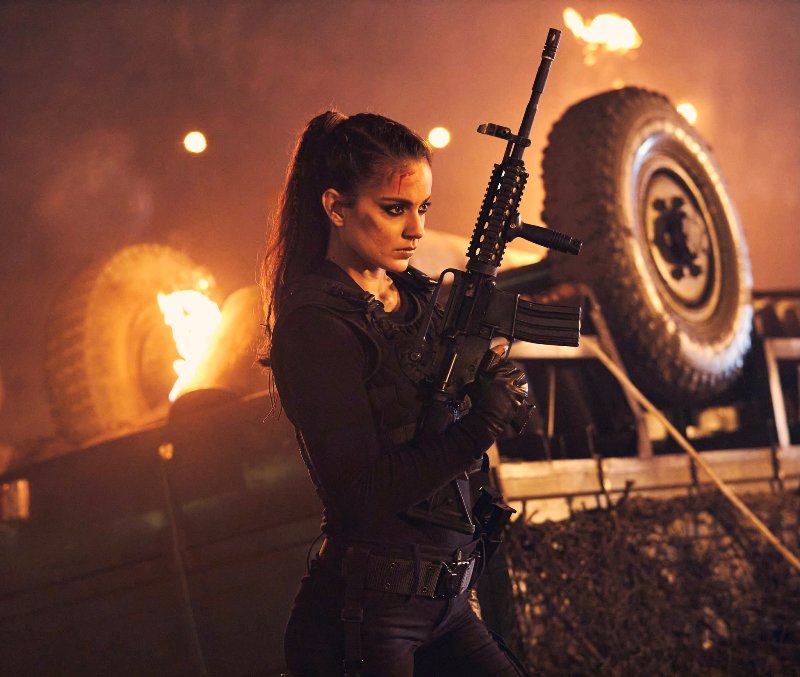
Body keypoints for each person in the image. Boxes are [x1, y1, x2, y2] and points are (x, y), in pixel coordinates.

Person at [261, 110, 529, 676]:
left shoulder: (419, 297)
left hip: (447, 606)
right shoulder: (317, 325)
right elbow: (360, 494)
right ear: (336, 208)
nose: (416, 230)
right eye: (394, 209)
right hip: (366, 620)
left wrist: (493, 384)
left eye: (423, 208)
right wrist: (480, 427)